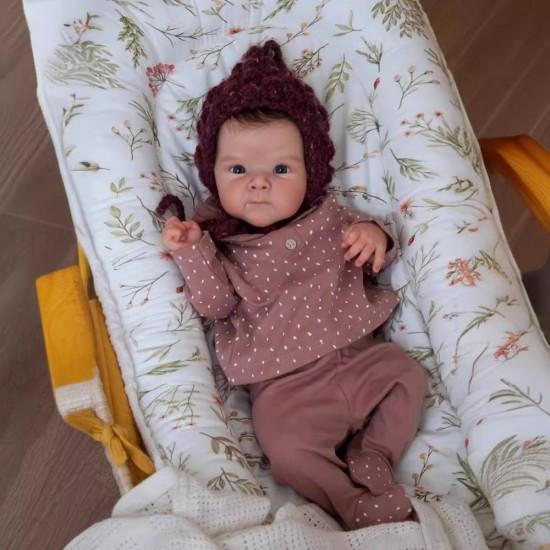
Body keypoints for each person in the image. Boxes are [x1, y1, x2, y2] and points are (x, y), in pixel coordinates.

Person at [158, 40, 427, 530]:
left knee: (407, 377)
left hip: (361, 358)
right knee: (286, 450)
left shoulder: (329, 215)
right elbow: (214, 305)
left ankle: (375, 453)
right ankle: (351, 502)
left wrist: (375, 236)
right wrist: (191, 251)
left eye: (281, 170)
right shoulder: (220, 240)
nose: (259, 183)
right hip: (287, 389)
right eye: (238, 169)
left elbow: (375, 254)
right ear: (212, 174)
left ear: (312, 171)